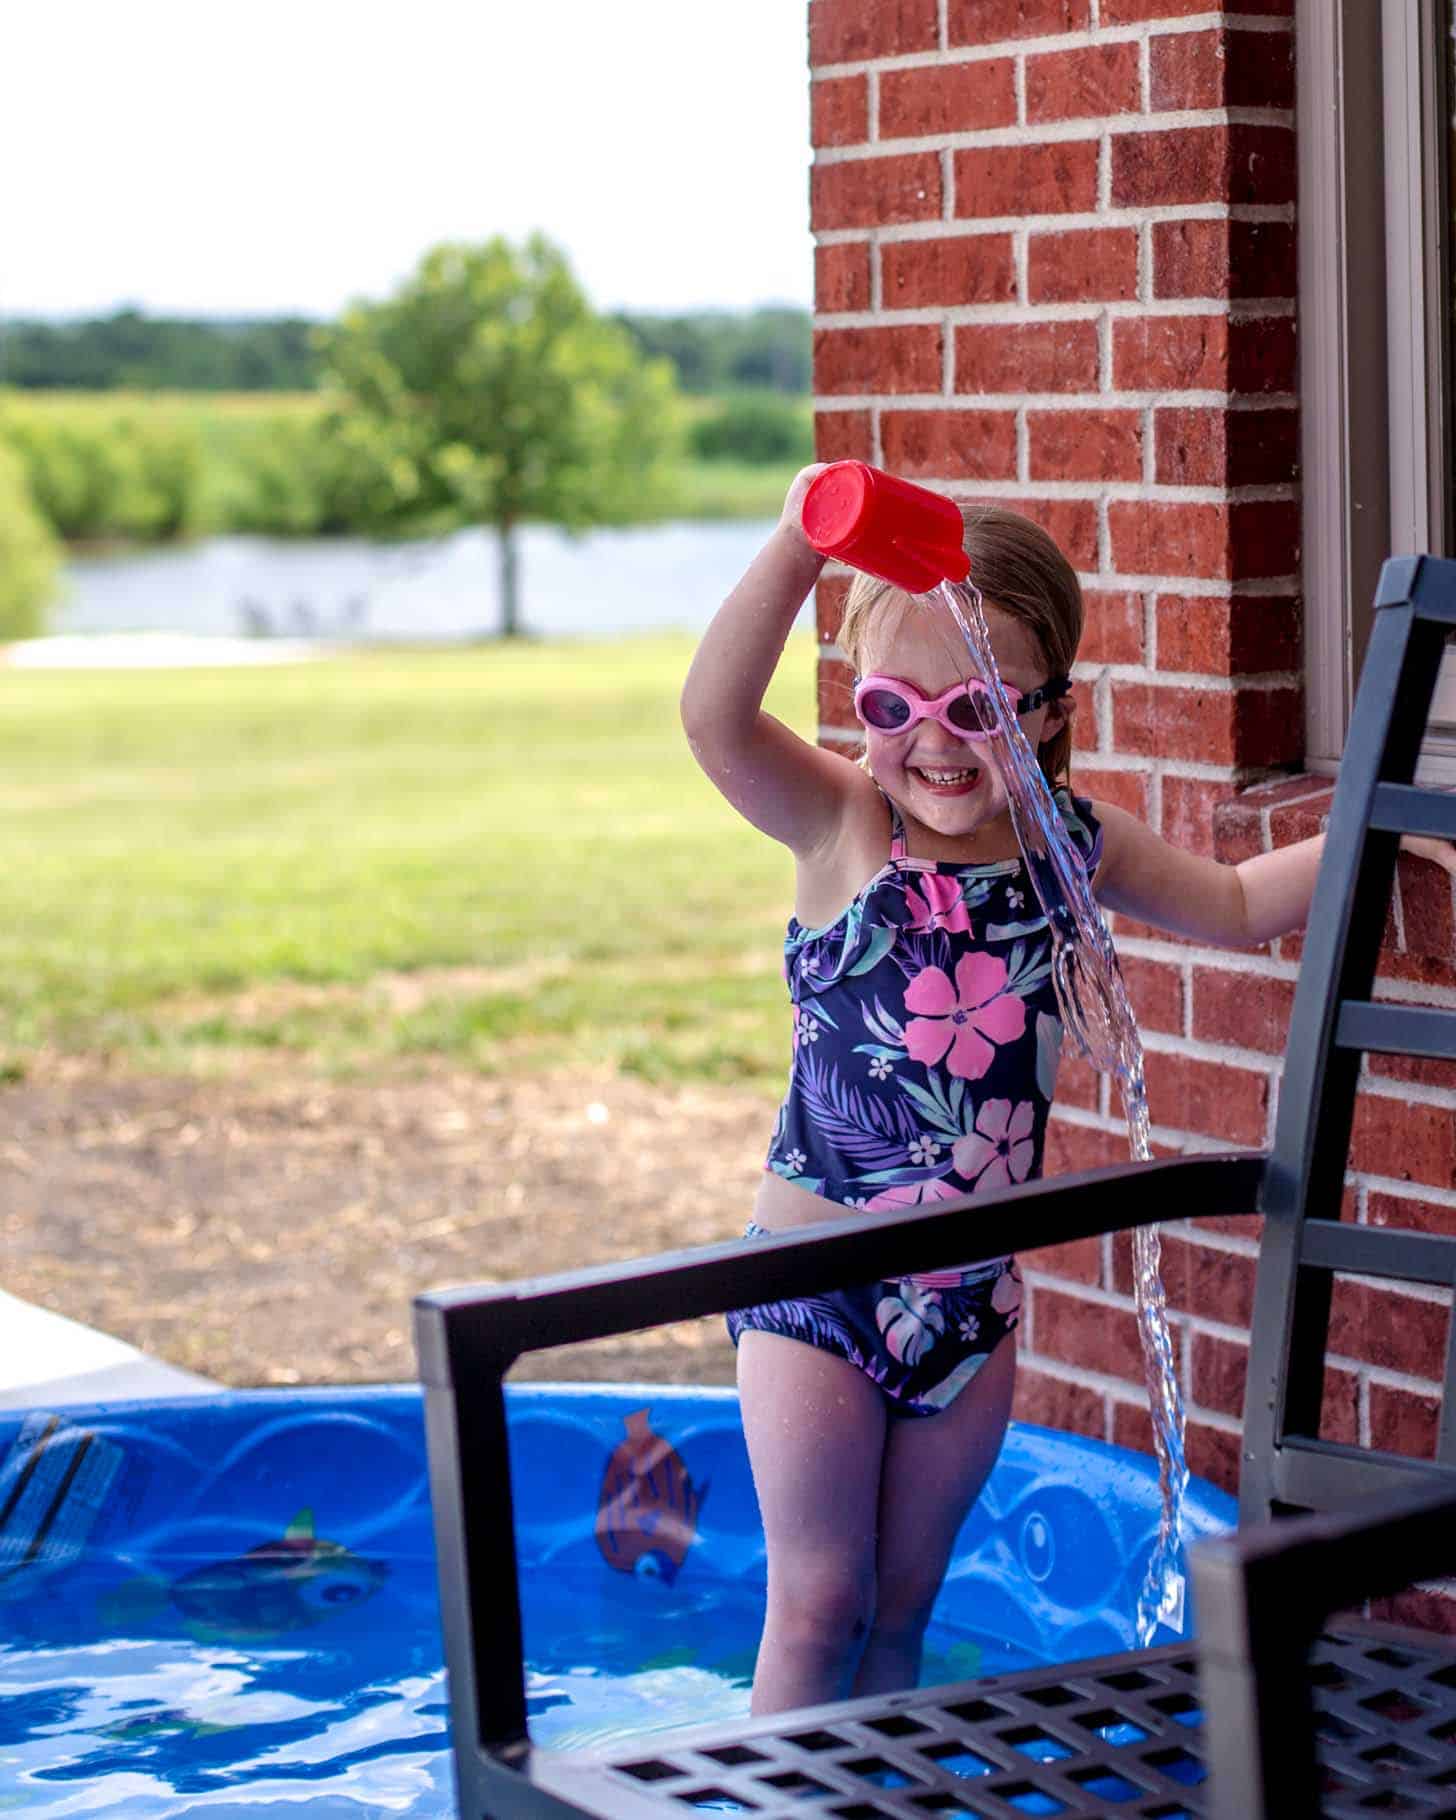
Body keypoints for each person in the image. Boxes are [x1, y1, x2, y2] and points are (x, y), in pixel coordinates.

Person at [680, 464, 1456, 1717]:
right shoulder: (843, 827)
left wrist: (1390, 824)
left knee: (901, 1618)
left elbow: (1238, 904)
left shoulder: (1070, 845)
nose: (930, 739)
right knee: (819, 1604)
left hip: (973, 1309)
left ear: (1046, 710)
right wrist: (795, 542)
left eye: (974, 705)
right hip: (813, 1289)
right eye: (892, 701)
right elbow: (714, 721)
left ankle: (877, 1806)